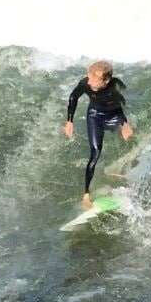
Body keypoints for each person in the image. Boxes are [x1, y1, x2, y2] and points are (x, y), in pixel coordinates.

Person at [61, 60, 133, 208]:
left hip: (113, 114)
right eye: (89, 77)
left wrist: (124, 124)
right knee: (95, 152)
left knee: (129, 138)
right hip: (94, 115)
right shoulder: (86, 83)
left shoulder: (115, 87)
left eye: (95, 79)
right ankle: (86, 194)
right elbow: (73, 97)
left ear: (106, 80)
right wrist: (70, 121)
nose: (89, 82)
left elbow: (119, 107)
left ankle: (123, 170)